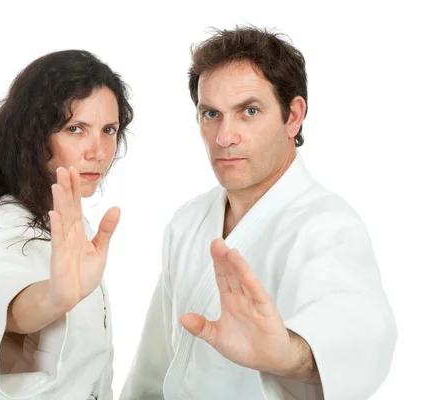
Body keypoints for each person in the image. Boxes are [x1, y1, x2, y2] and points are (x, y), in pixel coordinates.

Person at [120, 25, 397, 400]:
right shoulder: (187, 222)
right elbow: (154, 366)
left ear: (293, 116)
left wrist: (288, 354)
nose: (224, 136)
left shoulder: (327, 227)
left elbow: (360, 331)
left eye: (248, 111)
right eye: (211, 114)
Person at [0, 49, 133, 400]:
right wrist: (54, 298)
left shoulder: (64, 218)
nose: (98, 150)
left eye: (108, 130)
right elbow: (4, 303)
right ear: (34, 136)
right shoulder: (7, 221)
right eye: (76, 129)